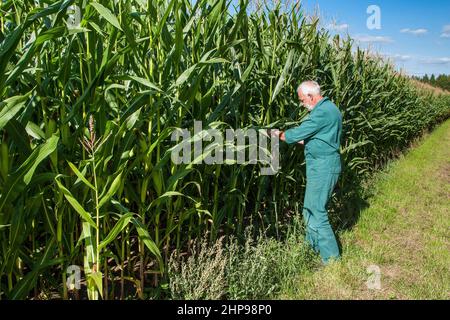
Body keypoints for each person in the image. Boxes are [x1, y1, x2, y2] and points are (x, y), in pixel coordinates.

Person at [271, 80, 343, 264]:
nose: (302, 104)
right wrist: (290, 137)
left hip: (323, 167)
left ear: (311, 96)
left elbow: (297, 134)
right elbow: (313, 138)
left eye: (303, 100)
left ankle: (332, 259)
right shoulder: (331, 108)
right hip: (323, 165)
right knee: (309, 210)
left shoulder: (321, 112)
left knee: (316, 210)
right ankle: (312, 247)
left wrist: (277, 135)